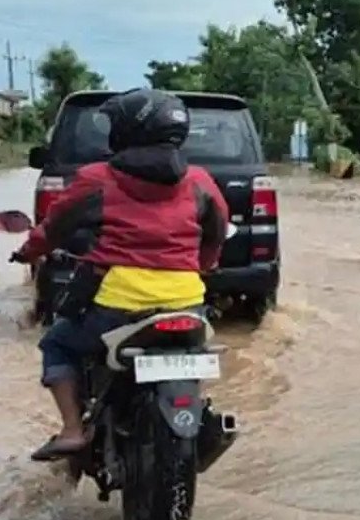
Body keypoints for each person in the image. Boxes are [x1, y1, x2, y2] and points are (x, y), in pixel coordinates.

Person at [11, 88, 229, 462]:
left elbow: (54, 228)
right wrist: (204, 265)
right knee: (194, 352)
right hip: (187, 303)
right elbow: (217, 230)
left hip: (115, 306)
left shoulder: (97, 178)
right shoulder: (199, 181)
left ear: (127, 131)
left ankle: (73, 430)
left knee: (57, 343)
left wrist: (28, 251)